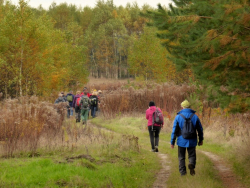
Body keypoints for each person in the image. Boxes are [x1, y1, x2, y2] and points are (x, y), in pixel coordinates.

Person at [170, 100, 204, 176]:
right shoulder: (195, 116)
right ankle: (191, 164)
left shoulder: (178, 116)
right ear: (189, 107)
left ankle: (183, 173)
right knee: (192, 155)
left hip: (181, 140)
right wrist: (201, 139)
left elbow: (174, 130)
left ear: (182, 107)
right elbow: (200, 129)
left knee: (181, 157)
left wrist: (172, 142)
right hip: (192, 140)